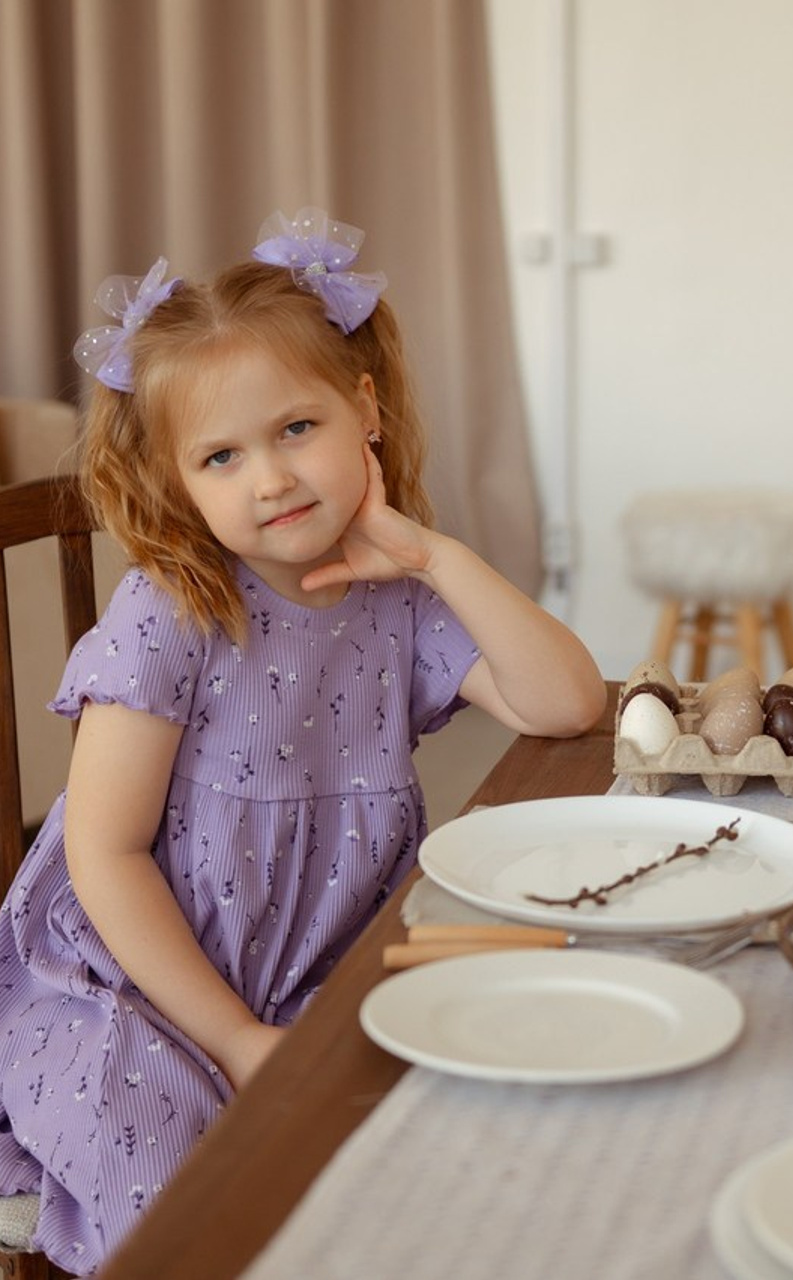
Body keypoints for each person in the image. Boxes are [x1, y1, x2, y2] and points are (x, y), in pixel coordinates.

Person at [0, 209, 605, 1273]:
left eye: (295, 429)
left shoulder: (393, 599)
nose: (270, 478)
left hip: (316, 968)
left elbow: (565, 703)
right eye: (222, 455)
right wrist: (233, 1041)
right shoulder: (169, 613)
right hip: (125, 993)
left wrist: (432, 553)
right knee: (191, 1201)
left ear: (361, 410)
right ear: (180, 479)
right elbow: (104, 854)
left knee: (441, 1140)